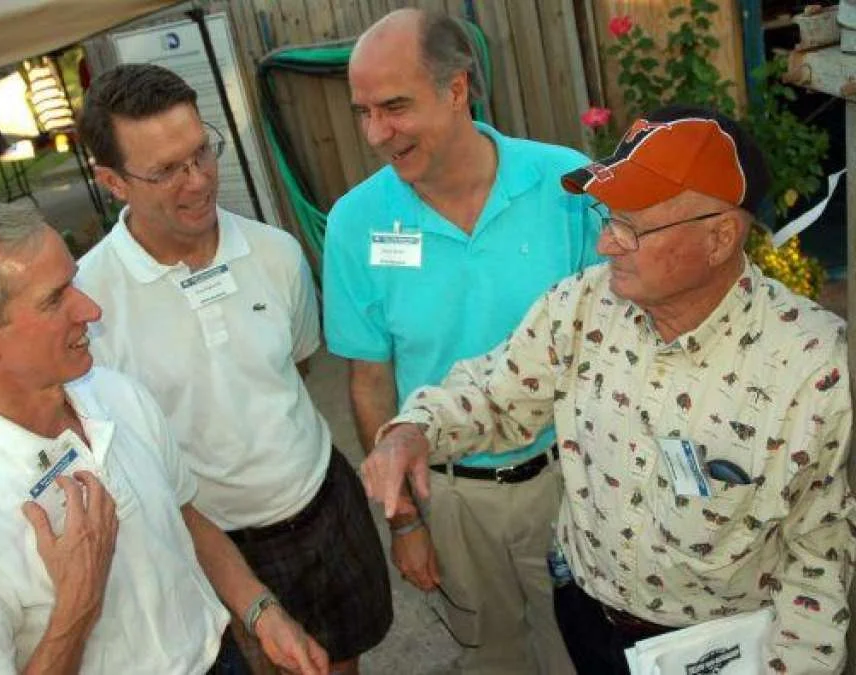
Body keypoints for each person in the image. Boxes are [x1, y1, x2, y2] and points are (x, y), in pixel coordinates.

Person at [360, 105, 854, 675]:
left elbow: (820, 559)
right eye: (607, 217)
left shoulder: (816, 369)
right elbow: (495, 394)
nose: (605, 245)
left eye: (632, 227)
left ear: (719, 238)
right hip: (587, 616)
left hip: (718, 647)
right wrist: (415, 430)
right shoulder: (583, 306)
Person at [0, 200, 329, 675]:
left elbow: (183, 515)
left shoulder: (114, 391)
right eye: (54, 299)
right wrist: (77, 606)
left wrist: (261, 611)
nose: (91, 308)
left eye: (74, 280)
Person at [75, 64, 391, 674]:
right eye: (166, 170)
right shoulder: (88, 302)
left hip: (322, 503)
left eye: (201, 154)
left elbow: (294, 370)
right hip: (216, 546)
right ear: (112, 181)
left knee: (342, 664)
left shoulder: (276, 252)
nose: (196, 183)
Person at [322, 10, 600, 673]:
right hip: (449, 495)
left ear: (458, 88)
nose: (375, 133)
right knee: (490, 657)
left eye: (394, 106)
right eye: (363, 111)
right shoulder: (355, 222)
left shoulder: (567, 184)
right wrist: (406, 521)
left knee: (585, 652)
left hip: (571, 478)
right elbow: (369, 379)